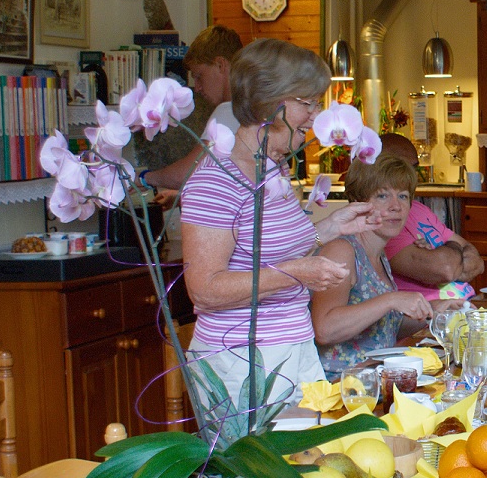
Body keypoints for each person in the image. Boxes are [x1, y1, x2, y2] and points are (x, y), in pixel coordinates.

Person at [180, 38, 380, 406]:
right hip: (242, 362)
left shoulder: (271, 169)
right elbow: (204, 289)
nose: (316, 116)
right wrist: (297, 273)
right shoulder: (216, 180)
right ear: (271, 103)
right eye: (308, 103)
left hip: (292, 350)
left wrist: (332, 226)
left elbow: (268, 252)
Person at [313, 155, 464, 377]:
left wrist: (432, 311)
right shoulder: (342, 251)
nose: (396, 206)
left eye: (403, 196)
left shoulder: (379, 255)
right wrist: (391, 300)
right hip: (340, 388)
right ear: (359, 202)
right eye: (382, 195)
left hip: (376, 381)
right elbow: (324, 329)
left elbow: (381, 327)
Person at [378, 133, 484, 302]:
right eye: (403, 168)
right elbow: (446, 269)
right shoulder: (386, 218)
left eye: (414, 168)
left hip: (465, 306)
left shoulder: (418, 209)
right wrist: (453, 246)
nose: (412, 177)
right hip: (429, 318)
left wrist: (444, 253)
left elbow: (478, 263)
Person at [141, 25, 243, 193]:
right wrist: (179, 196)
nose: (197, 87)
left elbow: (190, 172)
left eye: (198, 76)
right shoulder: (250, 104)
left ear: (220, 65)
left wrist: (145, 178)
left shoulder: (228, 110)